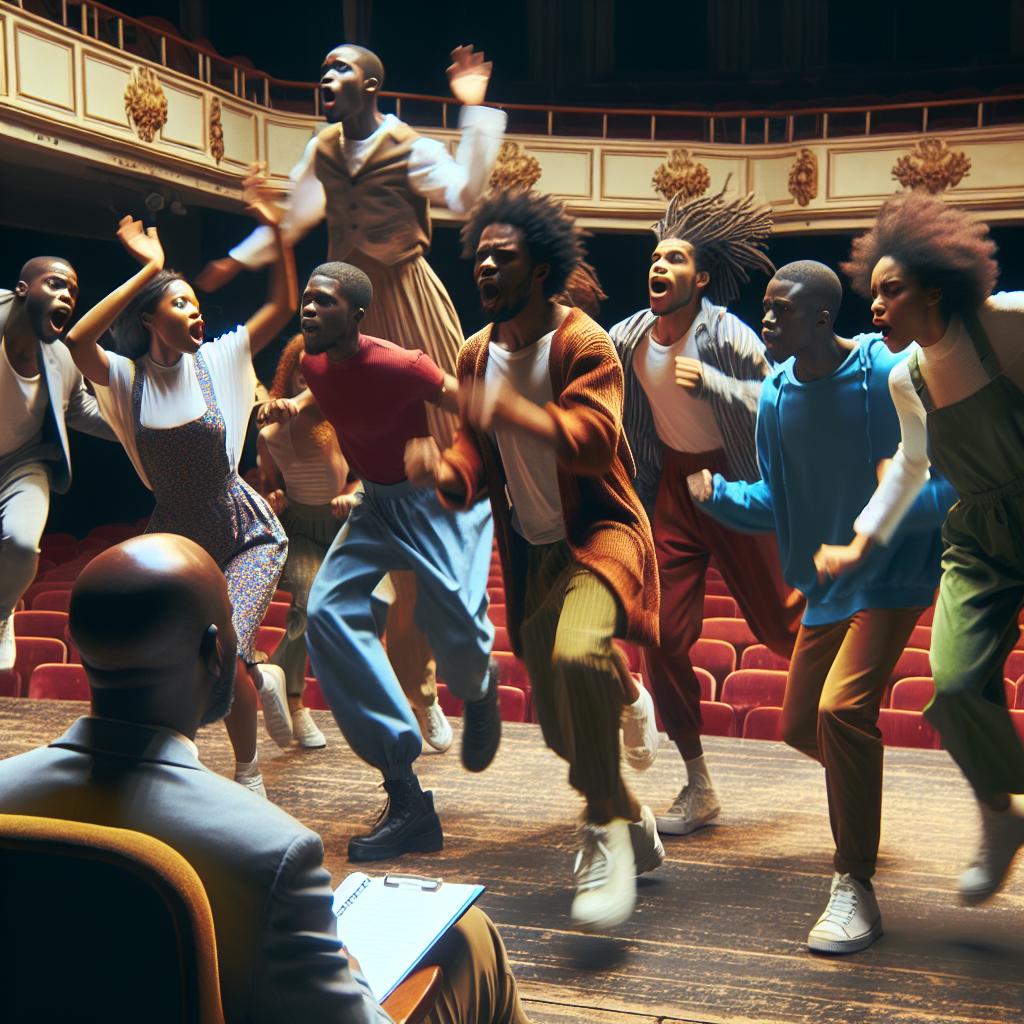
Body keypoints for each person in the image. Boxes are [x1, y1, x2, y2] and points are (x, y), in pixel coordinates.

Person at [0, 533, 530, 1024]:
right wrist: (343, 956)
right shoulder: (268, 851)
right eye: (233, 619)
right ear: (215, 651)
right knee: (468, 939)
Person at [199, 43, 507, 731]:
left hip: (409, 303)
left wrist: (473, 108)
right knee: (380, 485)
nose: (326, 78)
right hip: (348, 314)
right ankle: (412, 692)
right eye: (323, 69)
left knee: (441, 477)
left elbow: (464, 194)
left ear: (370, 83)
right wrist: (239, 257)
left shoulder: (406, 144)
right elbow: (298, 215)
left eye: (340, 69)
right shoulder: (324, 150)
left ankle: (437, 678)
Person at [407, 190, 664, 931]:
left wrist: (505, 407)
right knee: (559, 729)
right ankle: (631, 812)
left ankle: (604, 833)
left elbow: (591, 441)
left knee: (580, 653)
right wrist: (443, 471)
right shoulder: (474, 353)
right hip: (533, 555)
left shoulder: (584, 345)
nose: (485, 265)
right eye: (480, 255)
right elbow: (473, 459)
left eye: (503, 256)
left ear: (542, 268)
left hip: (603, 534)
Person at [688, 260, 954, 952]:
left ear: (823, 319)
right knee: (802, 725)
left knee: (842, 713)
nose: (765, 322)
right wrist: (718, 495)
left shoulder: (887, 374)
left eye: (780, 311)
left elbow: (949, 482)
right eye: (765, 309)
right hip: (830, 587)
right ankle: (859, 801)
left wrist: (885, 525)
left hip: (890, 576)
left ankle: (854, 883)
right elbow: (778, 502)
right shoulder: (776, 396)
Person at [814, 192, 1024, 905]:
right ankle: (1001, 816)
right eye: (872, 294)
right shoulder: (907, 376)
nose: (875, 307)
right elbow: (910, 467)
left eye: (891, 291)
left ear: (936, 288)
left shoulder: (1007, 327)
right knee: (956, 682)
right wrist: (858, 542)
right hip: (980, 538)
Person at [61, 168, 296, 797]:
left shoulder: (218, 360)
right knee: (184, 662)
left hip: (242, 530)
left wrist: (277, 231)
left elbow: (282, 308)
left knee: (230, 651)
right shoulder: (124, 378)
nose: (195, 310)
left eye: (196, 301)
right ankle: (262, 683)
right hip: (173, 536)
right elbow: (78, 336)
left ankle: (248, 774)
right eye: (180, 300)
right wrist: (148, 269)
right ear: (151, 316)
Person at [260, 261, 499, 863]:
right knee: (326, 614)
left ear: (357, 316)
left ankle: (478, 688)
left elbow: (471, 401)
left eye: (324, 302)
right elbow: (332, 393)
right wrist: (298, 408)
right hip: (372, 509)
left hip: (427, 502)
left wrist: (445, 451)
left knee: (456, 621)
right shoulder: (315, 362)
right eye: (307, 301)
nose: (309, 310)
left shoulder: (402, 363)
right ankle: (406, 792)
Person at [609, 187, 802, 836]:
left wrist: (719, 386)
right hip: (672, 486)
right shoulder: (629, 337)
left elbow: (781, 402)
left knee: (783, 629)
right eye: (655, 258)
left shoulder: (730, 337)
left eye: (676, 260)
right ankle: (699, 784)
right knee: (659, 635)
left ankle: (842, 736)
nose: (659, 268)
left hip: (740, 485)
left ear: (704, 277)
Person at [0, 258, 115, 670]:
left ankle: (1, 613)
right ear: (22, 289)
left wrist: (147, 428)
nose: (67, 294)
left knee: (20, 543)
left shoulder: (63, 360)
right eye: (55, 284)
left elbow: (82, 410)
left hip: (21, 462)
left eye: (73, 291)